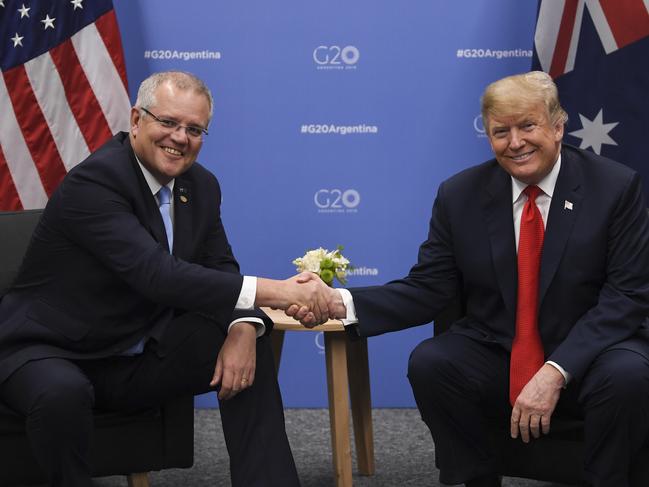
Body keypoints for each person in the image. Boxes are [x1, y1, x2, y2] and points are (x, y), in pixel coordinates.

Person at [290, 71, 649, 487]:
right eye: (501, 131)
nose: (515, 143)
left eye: (527, 126)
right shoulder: (460, 195)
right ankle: (477, 477)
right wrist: (339, 302)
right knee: (432, 363)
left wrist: (555, 370)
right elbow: (428, 288)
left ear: (557, 126)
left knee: (628, 376)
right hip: (500, 346)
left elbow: (626, 296)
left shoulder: (615, 188)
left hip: (590, 351)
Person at [0, 71, 327, 487]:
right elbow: (157, 275)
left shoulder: (201, 186)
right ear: (137, 120)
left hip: (132, 355)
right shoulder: (96, 181)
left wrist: (244, 325)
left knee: (250, 346)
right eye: (168, 122)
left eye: (194, 129)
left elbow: (220, 267)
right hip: (49, 351)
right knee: (62, 393)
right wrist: (278, 293)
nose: (180, 137)